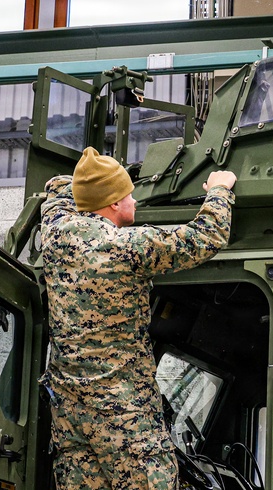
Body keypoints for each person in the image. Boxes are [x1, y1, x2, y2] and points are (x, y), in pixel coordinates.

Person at [40, 146, 238, 490]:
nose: (136, 202)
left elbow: (57, 191)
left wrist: (87, 178)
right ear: (114, 203)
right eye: (129, 194)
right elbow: (206, 237)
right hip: (123, 416)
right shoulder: (128, 246)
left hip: (69, 416)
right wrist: (220, 189)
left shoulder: (55, 234)